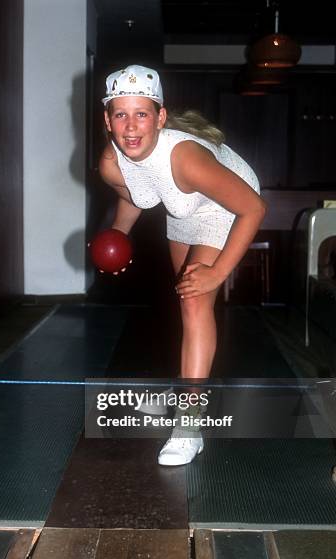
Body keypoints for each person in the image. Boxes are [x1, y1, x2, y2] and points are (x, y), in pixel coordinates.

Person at [99, 65, 266, 466]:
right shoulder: (110, 162)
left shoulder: (185, 158)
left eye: (142, 114)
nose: (131, 126)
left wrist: (217, 272)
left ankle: (190, 425)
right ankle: (181, 400)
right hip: (184, 206)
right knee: (183, 299)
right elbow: (137, 195)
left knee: (195, 301)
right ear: (107, 120)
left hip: (229, 205)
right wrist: (117, 240)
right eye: (121, 114)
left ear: (160, 117)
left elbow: (253, 209)